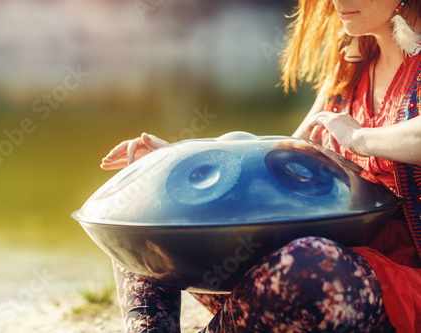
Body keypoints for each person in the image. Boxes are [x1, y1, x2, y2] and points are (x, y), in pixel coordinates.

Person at [100, 0, 421, 332]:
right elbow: (284, 157)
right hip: (299, 277)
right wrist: (177, 162)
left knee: (307, 263)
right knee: (144, 215)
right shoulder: (349, 67)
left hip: (373, 284)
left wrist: (361, 138)